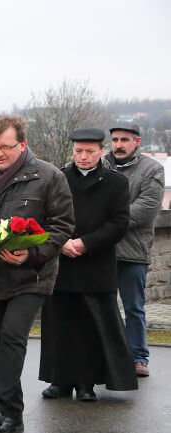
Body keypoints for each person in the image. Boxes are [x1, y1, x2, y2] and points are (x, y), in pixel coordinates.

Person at [0, 114, 74, 433]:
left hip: (33, 276)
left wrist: (32, 253)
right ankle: (11, 415)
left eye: (5, 147)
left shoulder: (49, 176)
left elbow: (63, 225)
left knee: (12, 336)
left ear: (22, 144)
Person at [40, 128, 137, 401]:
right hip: (61, 264)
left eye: (89, 152)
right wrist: (61, 242)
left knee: (90, 327)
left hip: (95, 265)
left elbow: (119, 224)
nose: (83, 157)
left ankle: (86, 383)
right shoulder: (58, 178)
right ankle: (59, 380)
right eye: (78, 151)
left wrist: (85, 243)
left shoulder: (116, 183)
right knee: (59, 325)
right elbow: (44, 216)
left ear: (101, 152)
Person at [104, 123, 164, 378]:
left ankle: (139, 357)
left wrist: (104, 224)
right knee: (102, 307)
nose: (119, 144)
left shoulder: (152, 169)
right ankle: (106, 355)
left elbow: (145, 210)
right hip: (101, 251)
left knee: (134, 307)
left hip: (132, 251)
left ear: (137, 142)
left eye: (125, 140)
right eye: (115, 139)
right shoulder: (100, 165)